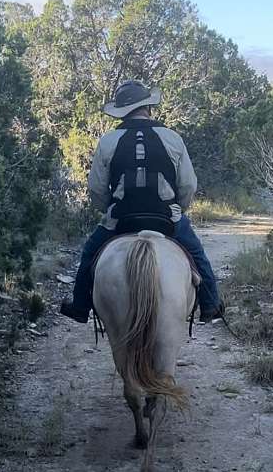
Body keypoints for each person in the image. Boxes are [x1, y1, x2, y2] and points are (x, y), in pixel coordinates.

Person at [60, 80, 224, 324]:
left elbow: (96, 189)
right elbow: (188, 185)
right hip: (166, 217)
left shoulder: (108, 141)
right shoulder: (172, 138)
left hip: (120, 219)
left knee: (89, 255)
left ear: (122, 111)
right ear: (148, 106)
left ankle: (80, 306)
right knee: (197, 255)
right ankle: (210, 304)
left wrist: (109, 209)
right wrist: (179, 207)